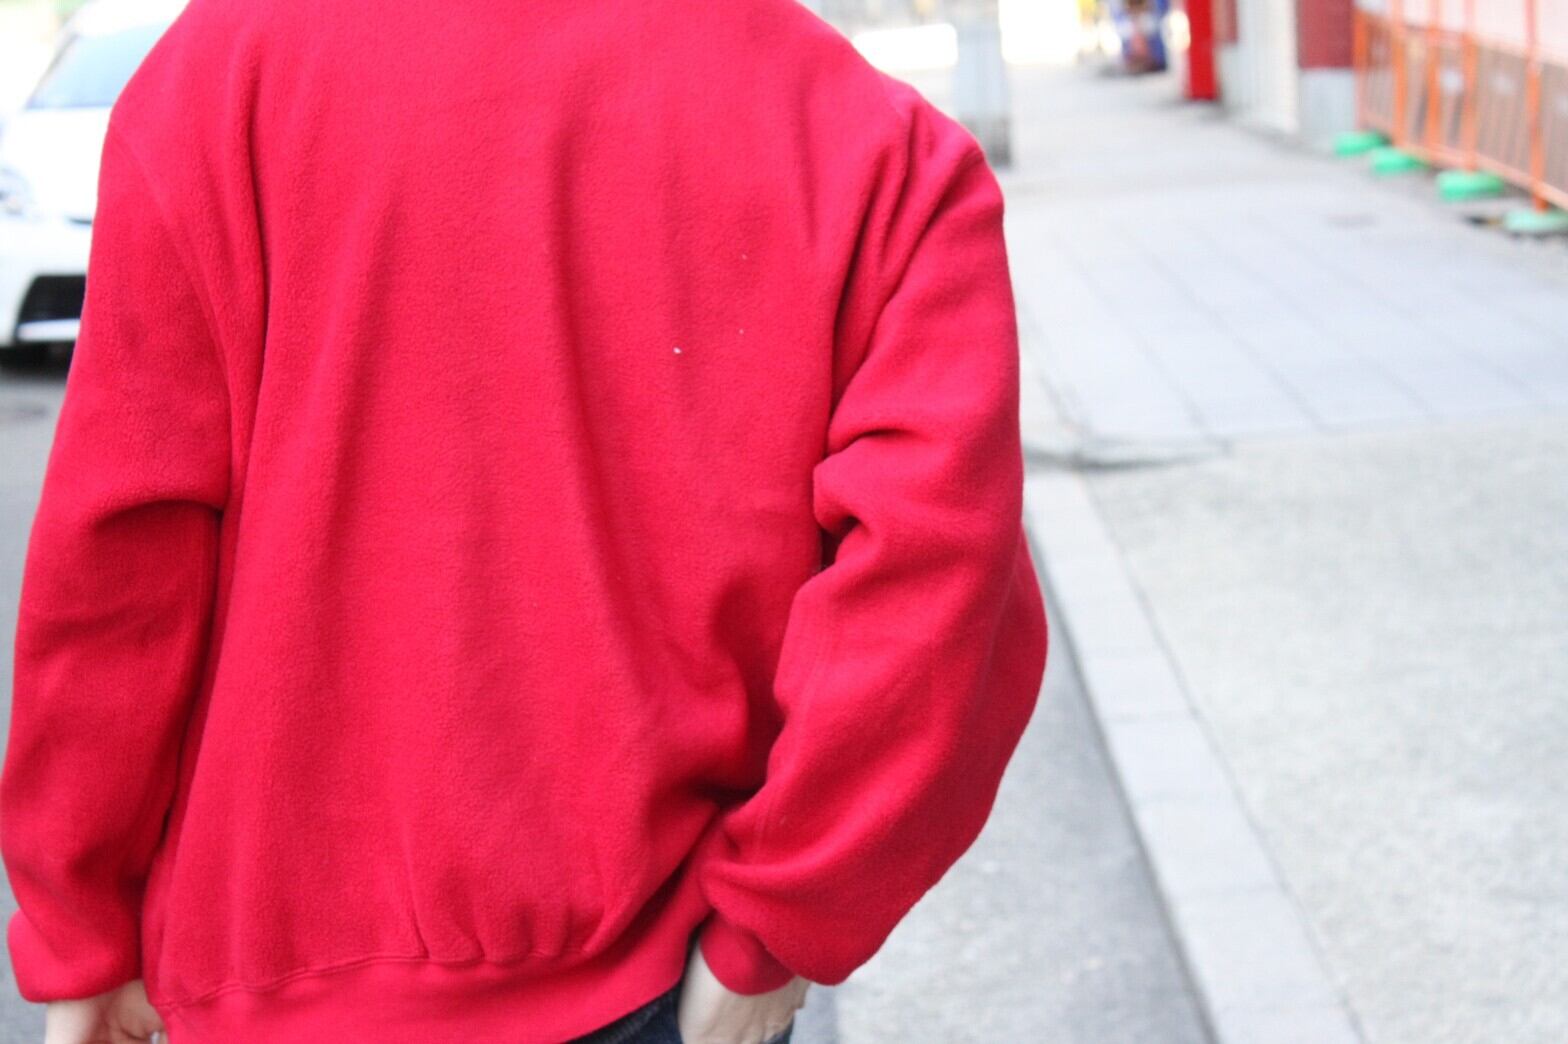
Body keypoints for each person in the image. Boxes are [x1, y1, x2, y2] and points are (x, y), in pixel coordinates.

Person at [0, 0, 1049, 1040]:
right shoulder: (863, 138)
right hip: (657, 964)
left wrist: (81, 926)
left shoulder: (217, 75)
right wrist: (784, 917)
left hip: (276, 977)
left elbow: (119, 565)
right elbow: (940, 575)